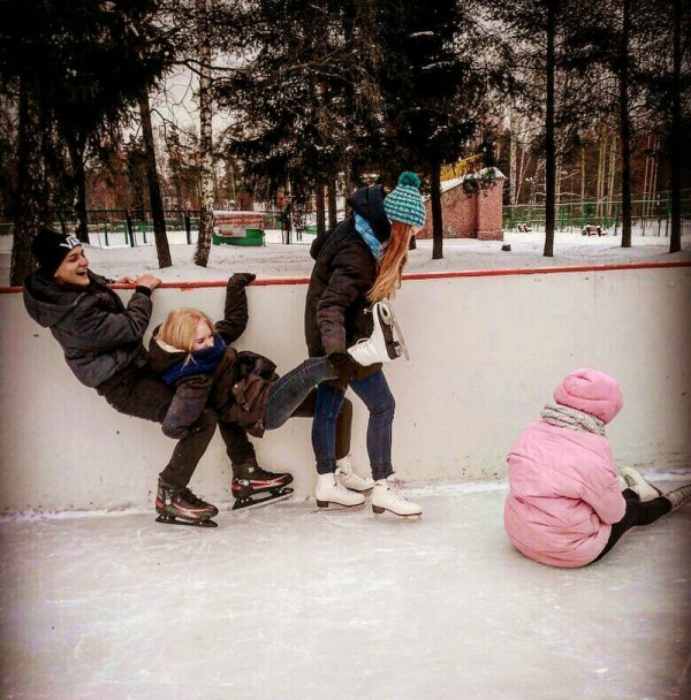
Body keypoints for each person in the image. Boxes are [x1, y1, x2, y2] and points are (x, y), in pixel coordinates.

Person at [21, 229, 291, 526]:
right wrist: (142, 292)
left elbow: (98, 294)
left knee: (216, 385)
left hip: (138, 367)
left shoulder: (65, 287)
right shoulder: (71, 312)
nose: (83, 262)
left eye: (82, 254)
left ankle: (246, 474)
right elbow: (130, 328)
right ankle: (171, 493)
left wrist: (114, 285)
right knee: (201, 418)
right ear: (54, 269)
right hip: (124, 384)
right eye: (73, 258)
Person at [304, 171, 426, 516]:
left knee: (329, 405)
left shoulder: (360, 229)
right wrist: (337, 352)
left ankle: (329, 480)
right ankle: (383, 486)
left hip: (331, 334)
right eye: (413, 230)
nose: (415, 237)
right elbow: (331, 304)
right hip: (342, 339)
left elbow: (318, 249)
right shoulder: (358, 253)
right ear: (400, 226)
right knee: (383, 405)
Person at [504, 368, 691, 567]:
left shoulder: (530, 432)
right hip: (568, 550)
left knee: (590, 497)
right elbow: (614, 514)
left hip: (521, 535)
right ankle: (669, 501)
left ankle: (637, 491)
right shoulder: (593, 452)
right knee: (631, 511)